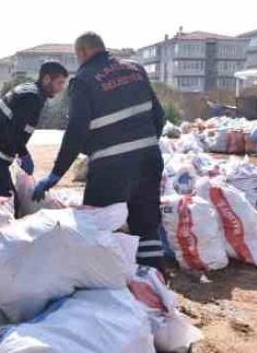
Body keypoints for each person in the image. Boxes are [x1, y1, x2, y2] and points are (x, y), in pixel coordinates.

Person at [33, 32, 166, 273]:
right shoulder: (136, 69)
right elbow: (159, 116)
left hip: (111, 168)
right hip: (149, 159)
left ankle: (101, 288)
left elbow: (76, 131)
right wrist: (144, 146)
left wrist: (56, 173)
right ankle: (154, 284)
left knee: (96, 224)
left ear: (82, 52)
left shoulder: (83, 80)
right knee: (146, 224)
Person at [0, 61, 68, 203]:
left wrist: (20, 152)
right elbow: (13, 129)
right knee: (8, 204)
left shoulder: (30, 90)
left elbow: (15, 127)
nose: (61, 88)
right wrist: (23, 154)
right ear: (46, 79)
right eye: (59, 83)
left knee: (8, 201)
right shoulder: (32, 98)